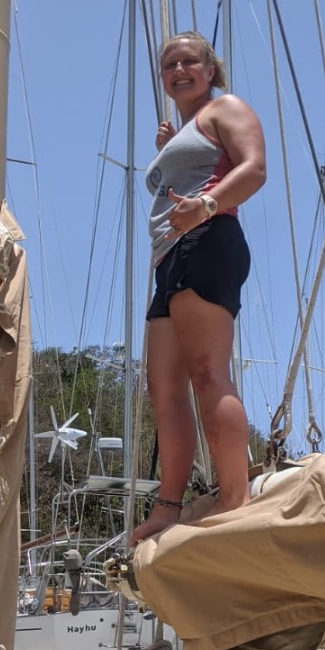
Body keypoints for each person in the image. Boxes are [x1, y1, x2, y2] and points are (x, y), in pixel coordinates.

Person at [130, 32, 266, 546]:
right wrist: (169, 150)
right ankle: (168, 508)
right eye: (170, 65)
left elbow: (254, 169)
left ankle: (235, 499)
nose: (179, 69)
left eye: (190, 61)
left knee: (208, 373)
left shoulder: (225, 108)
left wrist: (206, 205)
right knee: (163, 388)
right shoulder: (183, 131)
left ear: (211, 71)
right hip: (169, 256)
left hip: (208, 238)